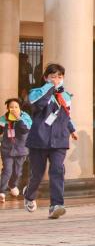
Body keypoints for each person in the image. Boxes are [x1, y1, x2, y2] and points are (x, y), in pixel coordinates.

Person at [24, 63, 79, 218]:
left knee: (57, 170)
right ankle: (29, 195)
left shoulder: (66, 96)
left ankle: (56, 205)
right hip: (39, 139)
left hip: (59, 139)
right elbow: (37, 105)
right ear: (46, 77)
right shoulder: (36, 93)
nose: (56, 79)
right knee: (38, 174)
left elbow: (66, 115)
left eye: (59, 76)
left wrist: (72, 129)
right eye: (53, 76)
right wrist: (49, 88)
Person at [1, 98, 32, 202]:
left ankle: (12, 184)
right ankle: (2, 192)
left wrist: (18, 118)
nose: (13, 109)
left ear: (20, 108)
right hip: (7, 149)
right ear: (8, 108)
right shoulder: (4, 118)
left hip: (21, 150)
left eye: (16, 107)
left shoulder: (26, 117)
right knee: (7, 170)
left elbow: (24, 130)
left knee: (17, 172)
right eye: (11, 107)